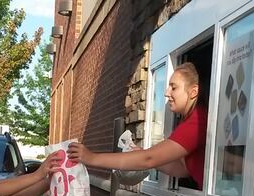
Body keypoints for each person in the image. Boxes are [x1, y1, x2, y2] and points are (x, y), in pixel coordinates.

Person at [67, 62, 208, 188]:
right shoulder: (190, 119)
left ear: (193, 91)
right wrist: (143, 154)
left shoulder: (197, 122)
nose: (166, 93)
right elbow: (182, 169)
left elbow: (148, 159)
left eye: (174, 87)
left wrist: (92, 158)